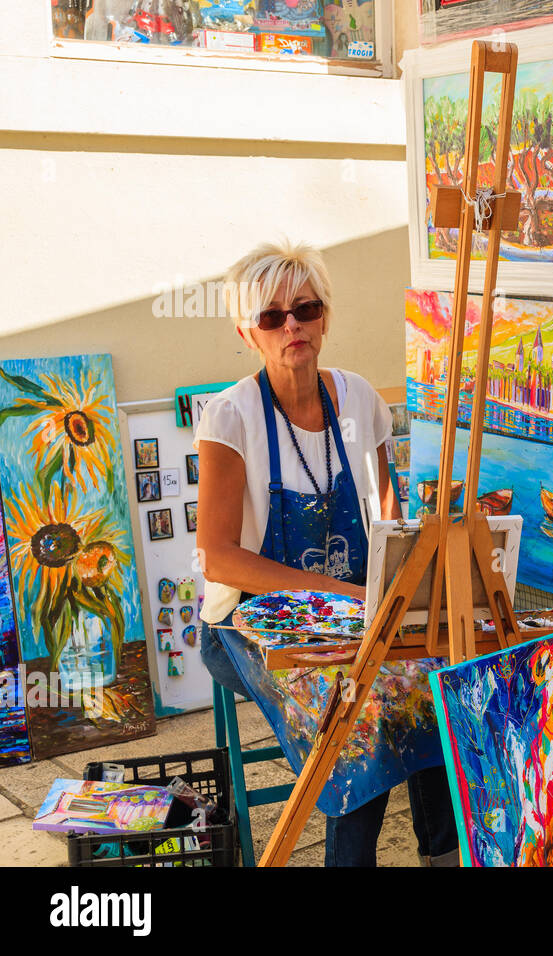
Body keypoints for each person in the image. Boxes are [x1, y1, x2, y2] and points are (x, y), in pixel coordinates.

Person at [196, 239, 455, 866]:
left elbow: (387, 519)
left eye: (305, 310)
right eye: (271, 317)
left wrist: (406, 586)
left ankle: (444, 854)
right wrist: (342, 593)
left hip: (351, 617)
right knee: (356, 722)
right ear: (247, 332)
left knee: (437, 692)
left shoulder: (360, 400)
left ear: (324, 317)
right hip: (246, 625)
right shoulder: (229, 419)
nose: (292, 326)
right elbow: (218, 559)